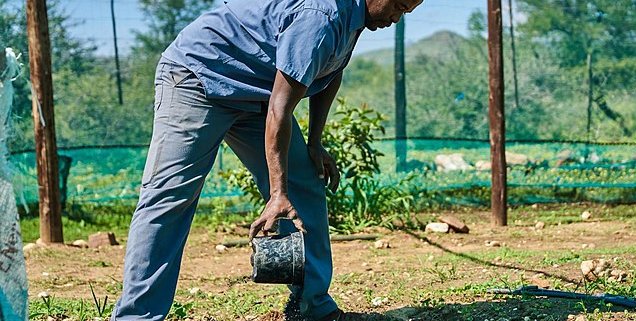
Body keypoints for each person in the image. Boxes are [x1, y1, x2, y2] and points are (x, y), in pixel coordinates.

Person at [111, 0, 422, 320]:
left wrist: (315, 143)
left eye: (407, 11)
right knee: (170, 197)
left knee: (304, 182)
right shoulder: (322, 15)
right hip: (199, 76)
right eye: (398, 5)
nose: (397, 17)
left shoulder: (355, 17)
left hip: (257, 91)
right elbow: (280, 109)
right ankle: (137, 316)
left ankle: (312, 308)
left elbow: (331, 69)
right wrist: (277, 194)